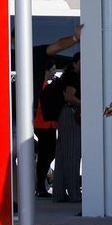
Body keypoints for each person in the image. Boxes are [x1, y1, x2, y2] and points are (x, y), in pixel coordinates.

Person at [50, 49, 83, 203]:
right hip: (71, 115)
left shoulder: (67, 74)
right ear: (77, 62)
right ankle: (74, 193)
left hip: (64, 116)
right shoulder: (73, 76)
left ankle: (59, 193)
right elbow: (69, 96)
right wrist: (84, 104)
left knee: (63, 154)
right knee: (72, 155)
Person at [34, 60, 60, 197]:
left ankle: (41, 182)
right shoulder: (41, 87)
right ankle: (40, 186)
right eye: (53, 69)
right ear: (46, 71)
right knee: (47, 154)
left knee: (48, 153)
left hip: (47, 124)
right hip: (43, 124)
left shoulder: (45, 86)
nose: (54, 72)